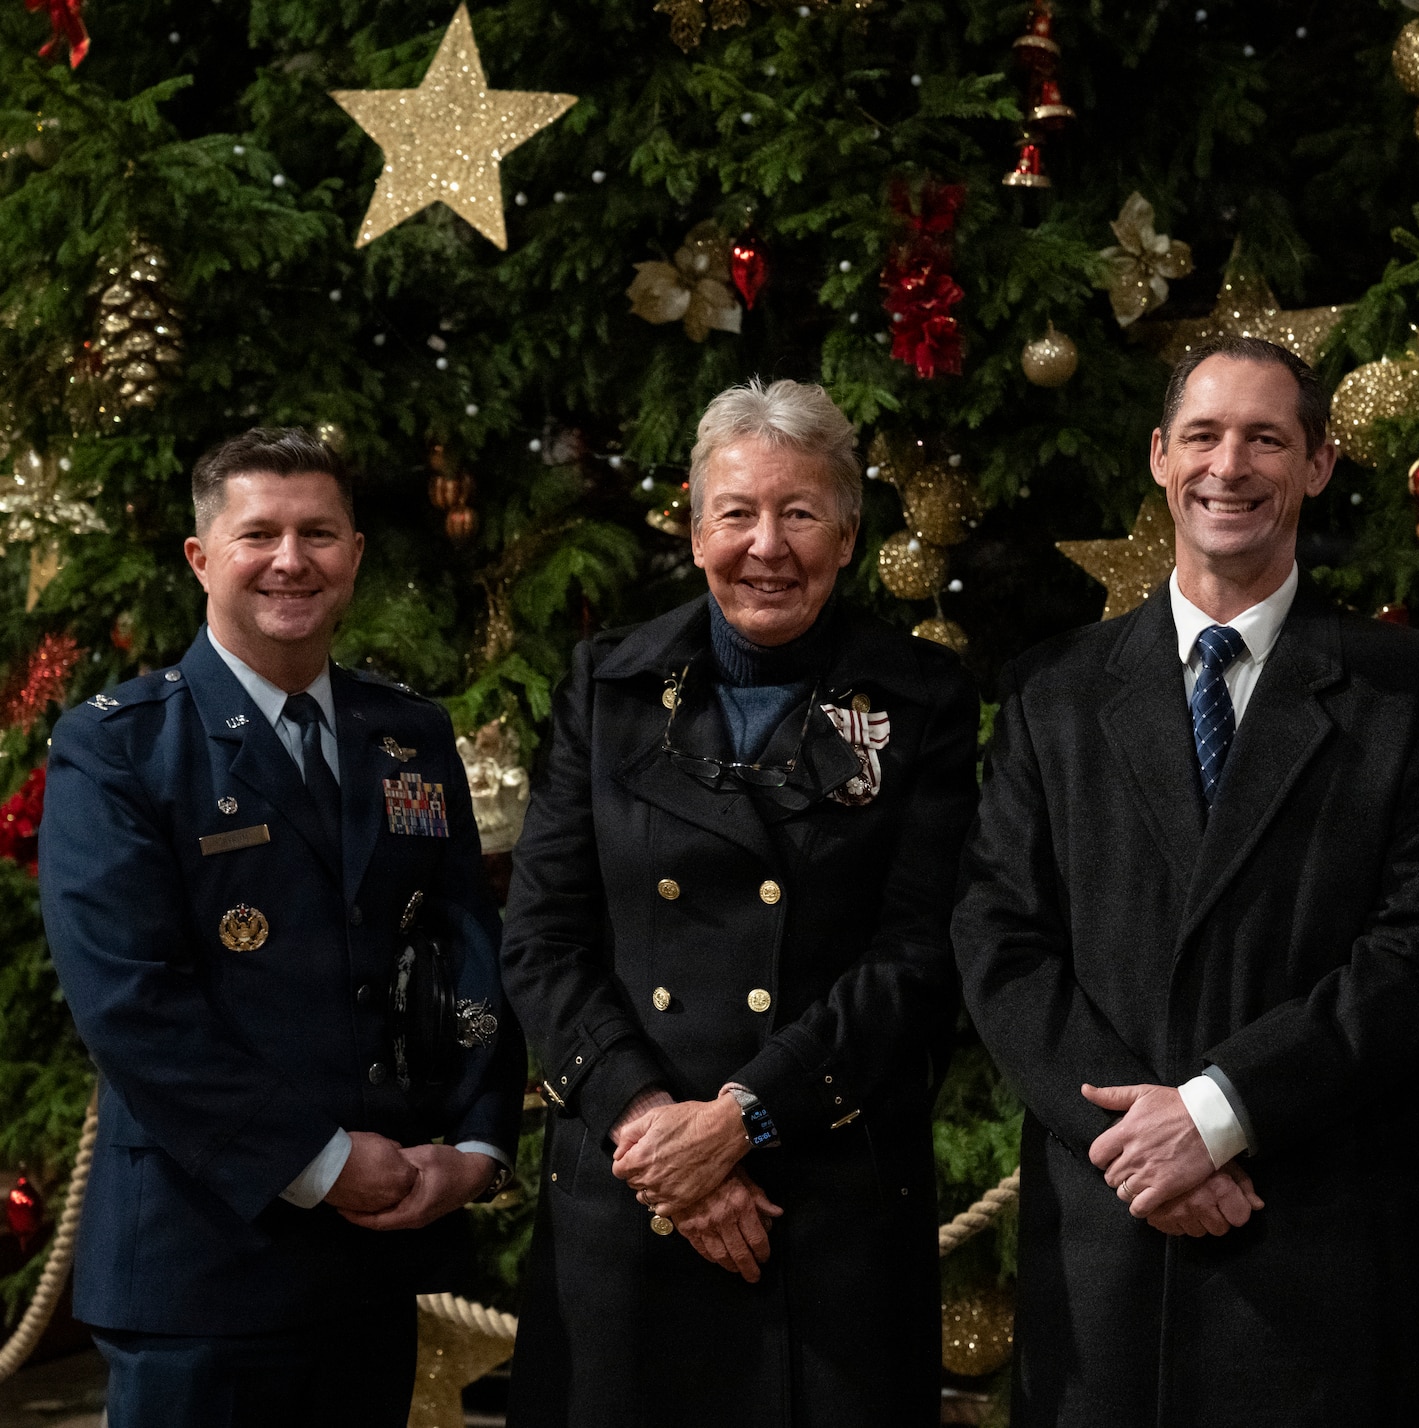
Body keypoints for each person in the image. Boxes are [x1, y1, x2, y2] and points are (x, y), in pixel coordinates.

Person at [952, 336, 1419, 1427]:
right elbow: (998, 942)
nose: (1230, 465)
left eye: (1266, 437)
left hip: (1314, 1249)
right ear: (1159, 457)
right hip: (1105, 1243)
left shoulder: (1413, 697)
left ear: (1317, 466)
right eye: (1203, 435)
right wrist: (1142, 1144)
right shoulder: (1051, 694)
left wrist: (1216, 1115)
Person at [500, 378, 979, 1427]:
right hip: (631, 1196)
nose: (767, 545)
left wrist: (743, 1119)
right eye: (737, 512)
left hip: (823, 1201)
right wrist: (657, 1130)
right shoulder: (606, 686)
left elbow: (918, 954)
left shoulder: (922, 702)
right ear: (692, 523)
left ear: (848, 536)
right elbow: (541, 938)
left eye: (800, 513)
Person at [38, 428, 523, 1428]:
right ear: (201, 557)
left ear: (354, 555)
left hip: (372, 1260)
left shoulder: (408, 734)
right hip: (203, 1268)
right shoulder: (119, 748)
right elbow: (131, 1003)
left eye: (320, 532)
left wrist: (475, 1141)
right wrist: (323, 1163)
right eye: (259, 533)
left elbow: (462, 942)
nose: (291, 561)